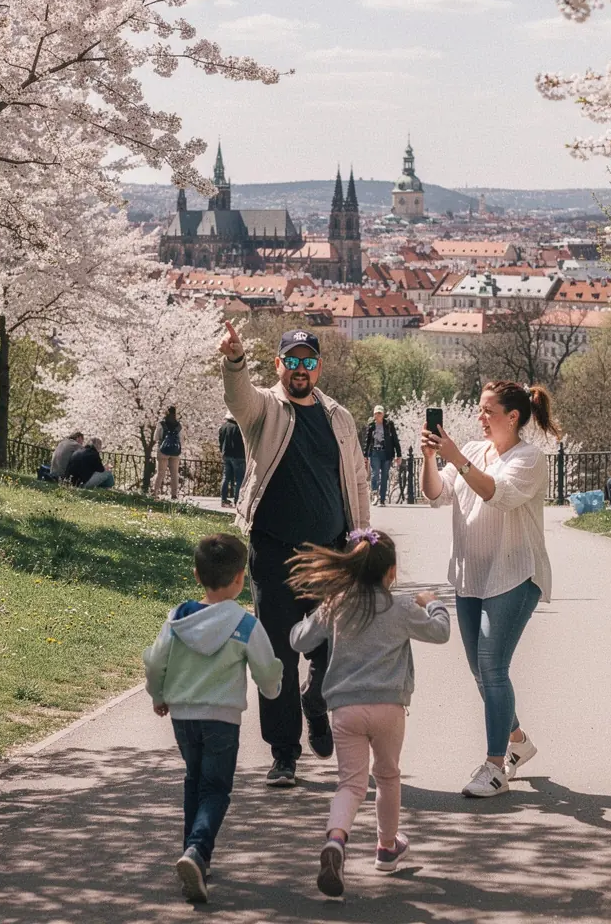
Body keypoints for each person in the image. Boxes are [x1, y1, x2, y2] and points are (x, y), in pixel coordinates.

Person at [219, 321, 370, 787]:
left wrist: (364, 536)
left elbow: (359, 479)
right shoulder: (266, 409)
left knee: (333, 648)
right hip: (274, 551)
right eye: (292, 361)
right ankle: (284, 753)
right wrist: (234, 360)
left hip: (330, 555)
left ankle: (317, 701)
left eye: (309, 361)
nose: (301, 369)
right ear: (280, 365)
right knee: (278, 657)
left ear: (318, 366)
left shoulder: (338, 417)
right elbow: (237, 399)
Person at [288, 528, 450, 898]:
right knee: (388, 776)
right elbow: (441, 632)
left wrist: (316, 612)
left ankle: (336, 841)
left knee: (350, 785)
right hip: (389, 707)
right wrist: (431, 603)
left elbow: (299, 640)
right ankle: (386, 847)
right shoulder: (403, 607)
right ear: (391, 572)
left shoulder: (336, 605)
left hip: (345, 710)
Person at [420, 380, 560, 798]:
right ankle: (517, 740)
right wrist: (431, 458)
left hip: (514, 575)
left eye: (487, 410)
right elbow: (436, 493)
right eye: (479, 409)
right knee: (480, 671)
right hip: (470, 576)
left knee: (493, 667)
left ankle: (495, 767)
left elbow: (495, 494)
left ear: (512, 417)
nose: (479, 417)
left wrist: (456, 458)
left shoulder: (530, 459)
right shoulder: (474, 451)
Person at [143, 534, 283, 904]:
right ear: (241, 578)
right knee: (216, 788)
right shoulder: (244, 624)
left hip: (183, 717)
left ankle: (193, 854)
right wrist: (273, 690)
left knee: (194, 780)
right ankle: (197, 851)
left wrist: (159, 694)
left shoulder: (178, 617)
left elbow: (155, 660)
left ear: (196, 574)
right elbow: (266, 669)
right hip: (221, 717)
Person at [363, 405, 402, 507]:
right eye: (376, 413)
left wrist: (399, 455)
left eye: (380, 413)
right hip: (375, 452)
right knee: (375, 474)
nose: (378, 415)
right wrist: (365, 455)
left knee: (384, 476)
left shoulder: (389, 425)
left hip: (387, 453)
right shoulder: (371, 425)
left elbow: (395, 439)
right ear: (374, 414)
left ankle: (382, 499)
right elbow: (367, 441)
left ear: (383, 414)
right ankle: (375, 494)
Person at [153, 407, 183, 500]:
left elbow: (156, 438)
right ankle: (174, 494)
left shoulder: (161, 424)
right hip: (175, 452)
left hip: (163, 450)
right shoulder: (179, 425)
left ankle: (155, 493)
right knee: (174, 474)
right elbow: (181, 439)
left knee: (160, 473)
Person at [218, 412, 246, 508]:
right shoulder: (240, 427)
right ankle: (237, 500)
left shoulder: (224, 427)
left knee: (226, 477)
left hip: (226, 454)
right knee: (239, 479)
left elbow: (220, 441)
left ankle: (223, 499)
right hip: (238, 456)